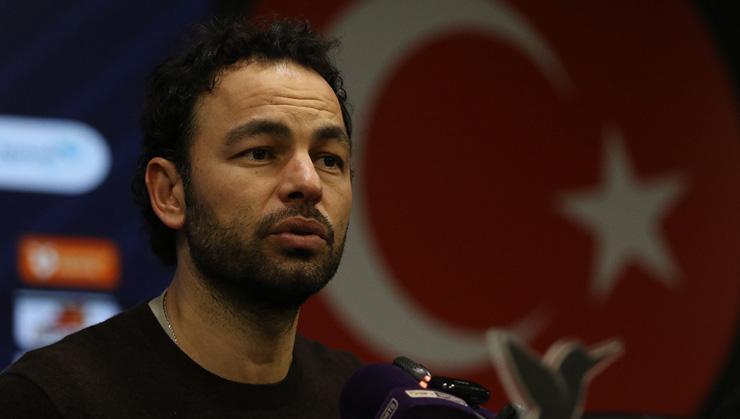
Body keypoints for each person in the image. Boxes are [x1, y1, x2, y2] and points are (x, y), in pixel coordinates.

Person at [0, 16, 361, 418]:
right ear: (170, 192)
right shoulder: (50, 400)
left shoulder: (364, 403)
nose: (308, 182)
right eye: (260, 152)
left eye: (329, 159)